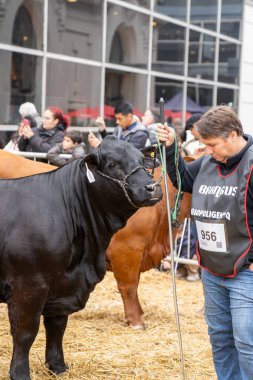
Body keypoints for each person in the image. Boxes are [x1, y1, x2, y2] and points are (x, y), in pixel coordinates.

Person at [157, 105, 253, 380]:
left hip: (245, 271)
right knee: (220, 338)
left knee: (247, 343)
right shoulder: (207, 162)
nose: (207, 150)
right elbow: (182, 179)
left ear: (233, 135)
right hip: (212, 269)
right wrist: (172, 147)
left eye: (211, 144)